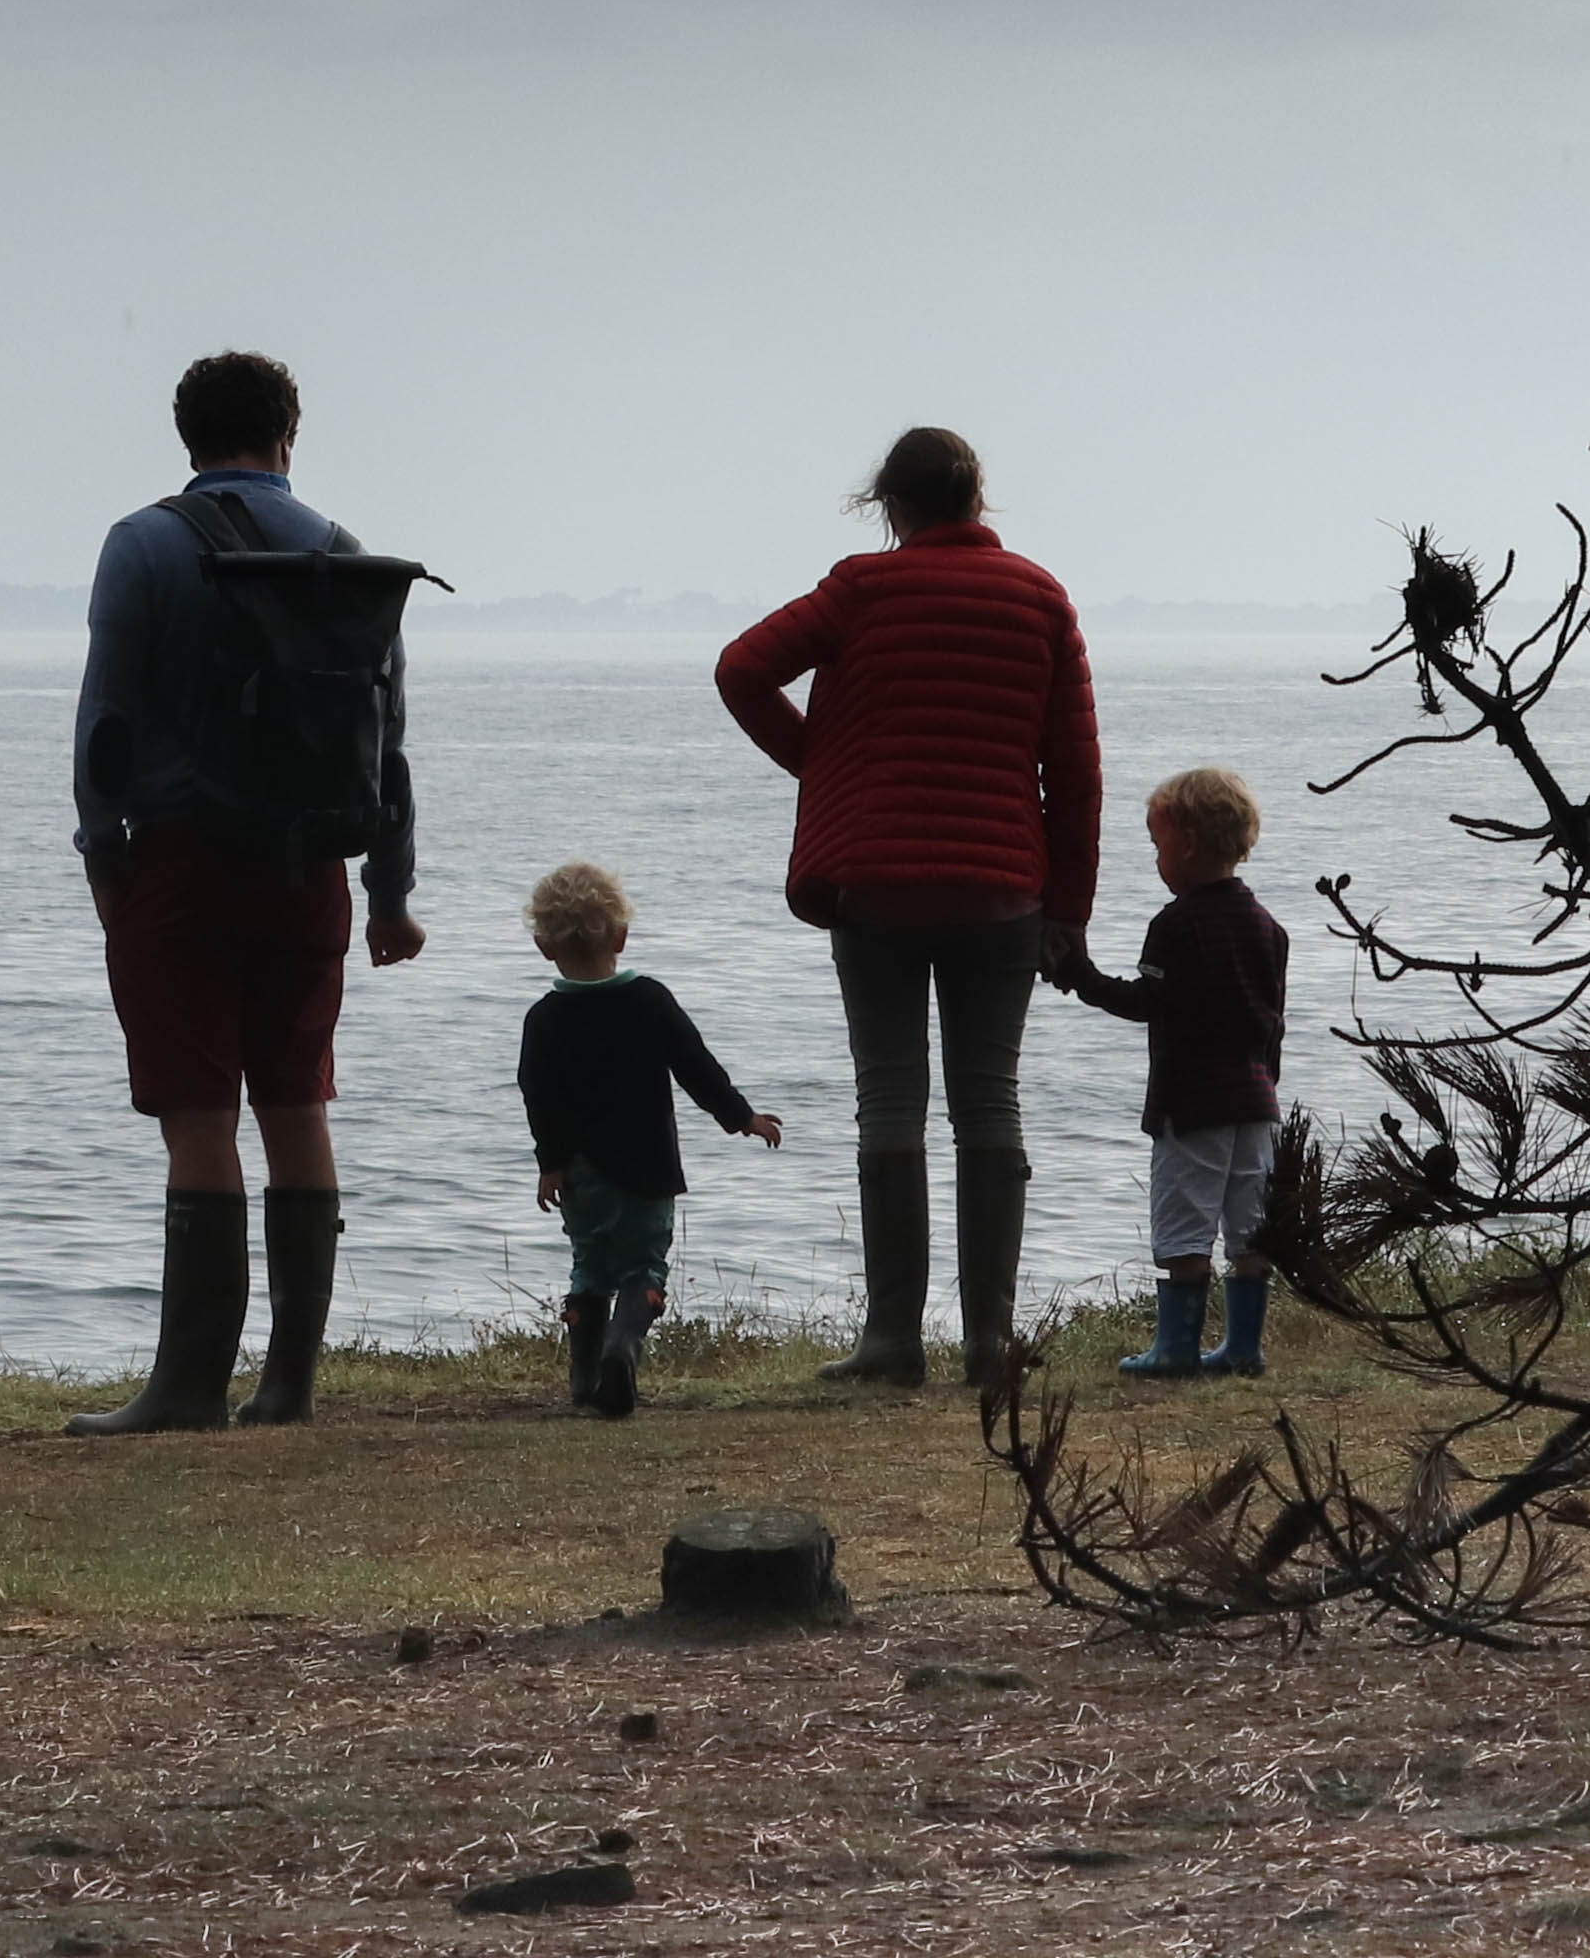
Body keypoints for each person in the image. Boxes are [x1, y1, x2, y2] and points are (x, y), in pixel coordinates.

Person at [63, 350, 427, 1433]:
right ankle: (288, 1387)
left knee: (196, 1115)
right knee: (294, 1102)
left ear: (186, 436)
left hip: (178, 860)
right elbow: (386, 747)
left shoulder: (143, 543)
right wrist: (390, 892)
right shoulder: (344, 554)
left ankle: (184, 1389)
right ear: (288, 434)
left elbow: (105, 725)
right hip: (309, 867)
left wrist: (102, 858)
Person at [714, 424, 1100, 1391]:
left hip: (877, 886)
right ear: (979, 498)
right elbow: (1077, 774)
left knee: (890, 1097)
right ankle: (987, 1341)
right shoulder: (1040, 596)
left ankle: (892, 1342)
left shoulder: (862, 588)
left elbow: (740, 670)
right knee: (989, 1102)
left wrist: (826, 765)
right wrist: (1072, 908)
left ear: (891, 504)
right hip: (1004, 891)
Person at [513, 860, 784, 1419]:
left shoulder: (544, 1019)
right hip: (649, 1170)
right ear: (621, 935)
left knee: (589, 1269)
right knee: (644, 1272)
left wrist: (551, 1163)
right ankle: (622, 1347)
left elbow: (537, 1097)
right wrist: (741, 1117)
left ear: (544, 946)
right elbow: (696, 1067)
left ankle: (586, 1377)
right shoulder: (650, 1000)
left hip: (582, 1174)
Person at [1049, 766, 1292, 1379]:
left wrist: (1082, 976)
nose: (1157, 857)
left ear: (1184, 842)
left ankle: (1177, 1348)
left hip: (1194, 1100)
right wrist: (1267, 1083)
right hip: (1256, 1100)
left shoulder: (1175, 924)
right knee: (1250, 1227)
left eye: (1157, 843)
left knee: (1185, 1222)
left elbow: (1146, 1003)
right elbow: (1273, 1020)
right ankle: (1243, 1348)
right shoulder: (1268, 927)